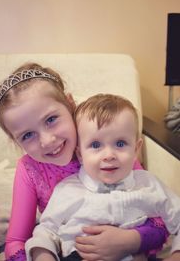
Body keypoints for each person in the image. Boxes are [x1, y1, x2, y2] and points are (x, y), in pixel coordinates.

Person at [0, 63, 168, 261]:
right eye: (27, 135)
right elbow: (16, 241)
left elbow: (159, 217)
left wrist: (130, 240)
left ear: (70, 104)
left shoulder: (107, 148)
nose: (47, 141)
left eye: (51, 119)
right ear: (16, 141)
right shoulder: (29, 169)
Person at [25, 94, 180, 261]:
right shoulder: (67, 190)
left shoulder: (148, 184)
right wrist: (44, 255)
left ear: (136, 149)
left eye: (120, 144)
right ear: (80, 154)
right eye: (96, 145)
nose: (109, 155)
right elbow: (46, 230)